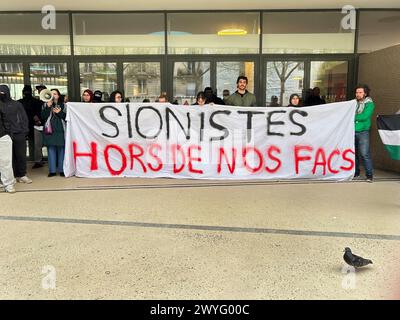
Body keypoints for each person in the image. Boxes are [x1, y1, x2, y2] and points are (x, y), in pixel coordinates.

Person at [0, 84, 32, 184]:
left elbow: (24, 117)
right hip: (4, 135)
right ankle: (10, 177)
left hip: (18, 133)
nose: (2, 95)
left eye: (3, 93)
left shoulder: (17, 104)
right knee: (8, 157)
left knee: (21, 155)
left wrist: (24, 130)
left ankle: (22, 175)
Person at [41, 89, 67, 177]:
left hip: (61, 130)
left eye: (55, 94)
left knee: (62, 150)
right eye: (51, 94)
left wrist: (59, 113)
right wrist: (48, 107)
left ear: (58, 96)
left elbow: (66, 117)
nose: (53, 95)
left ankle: (62, 170)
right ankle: (52, 171)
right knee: (51, 149)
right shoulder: (45, 105)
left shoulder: (64, 105)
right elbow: (43, 117)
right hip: (50, 131)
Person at [18, 85, 44, 169]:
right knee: (36, 144)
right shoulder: (37, 102)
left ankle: (36, 161)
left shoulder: (19, 102)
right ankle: (38, 160)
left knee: (33, 144)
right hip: (34, 125)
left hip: (27, 125)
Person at [354, 84, 375, 182]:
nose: (358, 94)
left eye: (360, 92)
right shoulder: (353, 103)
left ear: (365, 93)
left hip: (363, 132)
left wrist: (352, 117)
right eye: (357, 92)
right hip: (352, 131)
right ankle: (356, 172)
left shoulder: (369, 103)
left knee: (364, 154)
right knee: (354, 153)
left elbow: (364, 116)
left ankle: (369, 175)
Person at [0, 98, 16, 193]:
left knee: (6, 161)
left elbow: (6, 119)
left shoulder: (1, 104)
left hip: (2, 136)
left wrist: (7, 134)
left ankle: (8, 184)